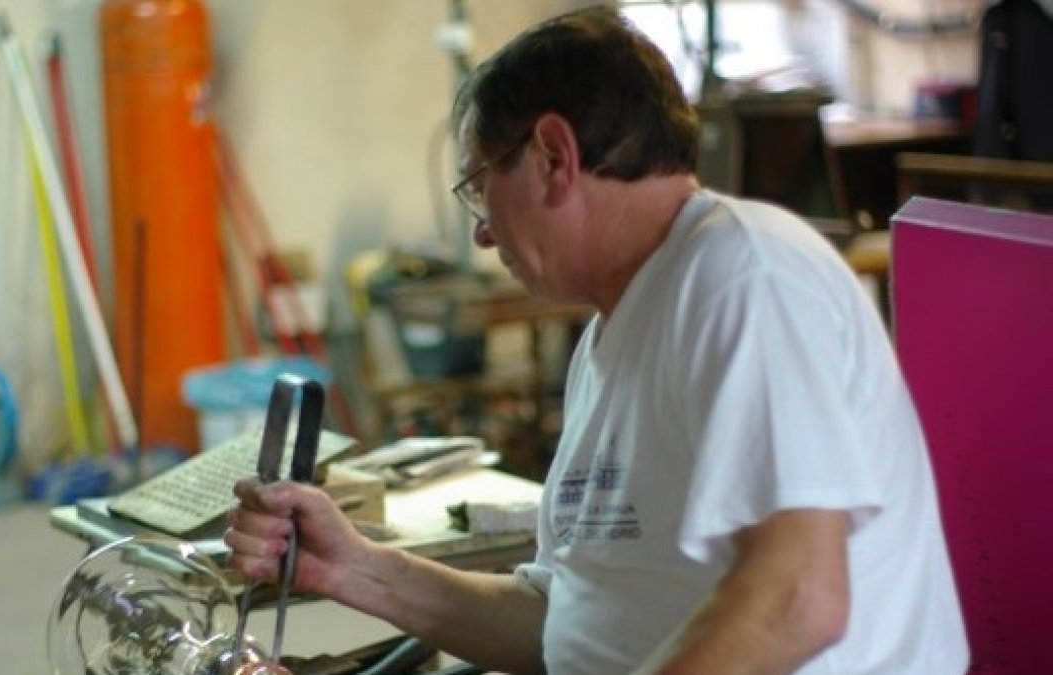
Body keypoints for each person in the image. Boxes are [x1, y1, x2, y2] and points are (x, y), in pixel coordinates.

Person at [226, 6, 969, 674]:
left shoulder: (743, 273)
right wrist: (355, 569)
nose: (482, 231)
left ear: (554, 156)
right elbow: (563, 620)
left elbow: (801, 596)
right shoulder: (610, 335)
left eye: (480, 187)